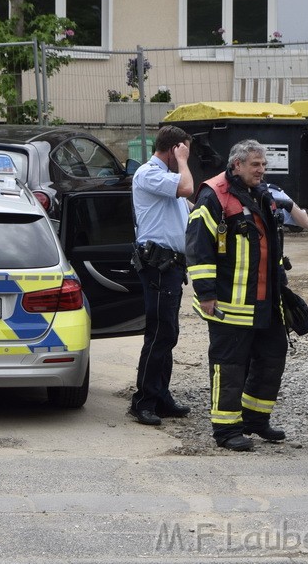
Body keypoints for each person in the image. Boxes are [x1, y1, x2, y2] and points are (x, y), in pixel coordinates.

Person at [186, 139, 289, 452]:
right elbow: (198, 247)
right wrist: (206, 294)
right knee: (229, 364)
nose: (262, 170)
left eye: (263, 164)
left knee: (273, 356)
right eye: (255, 165)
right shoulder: (214, 195)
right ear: (237, 165)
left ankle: (255, 418)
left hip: (265, 299)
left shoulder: (259, 192)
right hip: (229, 302)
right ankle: (227, 429)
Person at [128, 125, 194, 426]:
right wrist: (182, 161)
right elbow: (186, 188)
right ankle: (143, 400)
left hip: (172, 267)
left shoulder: (167, 179)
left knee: (168, 332)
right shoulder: (149, 174)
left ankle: (161, 395)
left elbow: (191, 203)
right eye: (182, 152)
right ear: (172, 150)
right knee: (159, 333)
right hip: (157, 265)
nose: (185, 158)